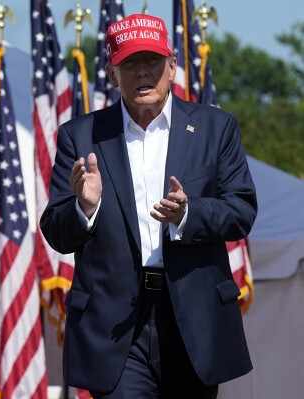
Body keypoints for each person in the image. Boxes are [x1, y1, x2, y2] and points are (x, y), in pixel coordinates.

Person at [40, 13, 257, 399]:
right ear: (111, 73)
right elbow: (56, 230)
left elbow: (241, 211)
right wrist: (85, 209)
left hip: (193, 321)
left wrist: (189, 214)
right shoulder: (80, 135)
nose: (143, 73)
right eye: (130, 64)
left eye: (152, 62)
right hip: (115, 327)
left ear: (172, 67)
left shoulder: (215, 127)